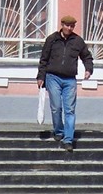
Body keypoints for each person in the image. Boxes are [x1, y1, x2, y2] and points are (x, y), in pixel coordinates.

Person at [37, 15, 93, 151]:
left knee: (70, 109)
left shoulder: (78, 41)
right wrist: (41, 76)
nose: (69, 28)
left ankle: (68, 139)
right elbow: (43, 59)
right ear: (62, 25)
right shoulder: (52, 39)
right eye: (67, 25)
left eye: (72, 26)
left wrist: (88, 69)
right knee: (56, 107)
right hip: (53, 77)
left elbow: (87, 56)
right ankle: (59, 131)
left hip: (69, 80)